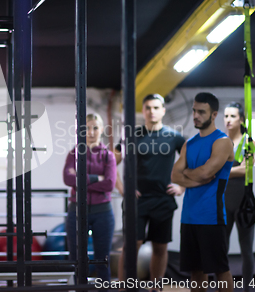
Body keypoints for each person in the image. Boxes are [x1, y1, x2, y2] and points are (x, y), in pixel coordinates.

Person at [115, 94, 185, 290]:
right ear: (143, 111)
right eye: (148, 108)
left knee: (160, 247)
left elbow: (192, 163)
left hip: (163, 200)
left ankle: (156, 287)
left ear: (163, 110)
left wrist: (182, 187)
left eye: (156, 107)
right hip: (137, 201)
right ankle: (124, 287)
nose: (152, 111)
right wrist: (123, 188)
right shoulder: (132, 136)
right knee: (131, 246)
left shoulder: (175, 137)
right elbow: (111, 163)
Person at [171, 92, 234, 292]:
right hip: (189, 217)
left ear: (214, 114)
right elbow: (174, 176)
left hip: (211, 217)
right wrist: (195, 177)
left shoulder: (222, 142)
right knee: (195, 270)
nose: (196, 116)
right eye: (194, 111)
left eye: (201, 112)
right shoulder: (189, 144)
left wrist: (187, 174)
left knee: (220, 269)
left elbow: (207, 171)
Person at [63, 113, 117, 282]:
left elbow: (109, 184)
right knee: (77, 261)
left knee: (103, 261)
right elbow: (67, 179)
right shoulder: (74, 154)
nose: (91, 132)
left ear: (101, 130)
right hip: (77, 212)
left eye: (95, 127)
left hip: (103, 213)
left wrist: (80, 180)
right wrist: (96, 178)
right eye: (86, 128)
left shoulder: (108, 155)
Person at [224, 102, 255, 292]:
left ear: (241, 119)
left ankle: (247, 290)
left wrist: (221, 170)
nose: (228, 120)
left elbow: (246, 168)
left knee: (246, 250)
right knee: (222, 250)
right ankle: (225, 288)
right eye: (226, 116)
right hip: (224, 201)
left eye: (232, 116)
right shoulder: (220, 142)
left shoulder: (248, 141)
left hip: (244, 202)